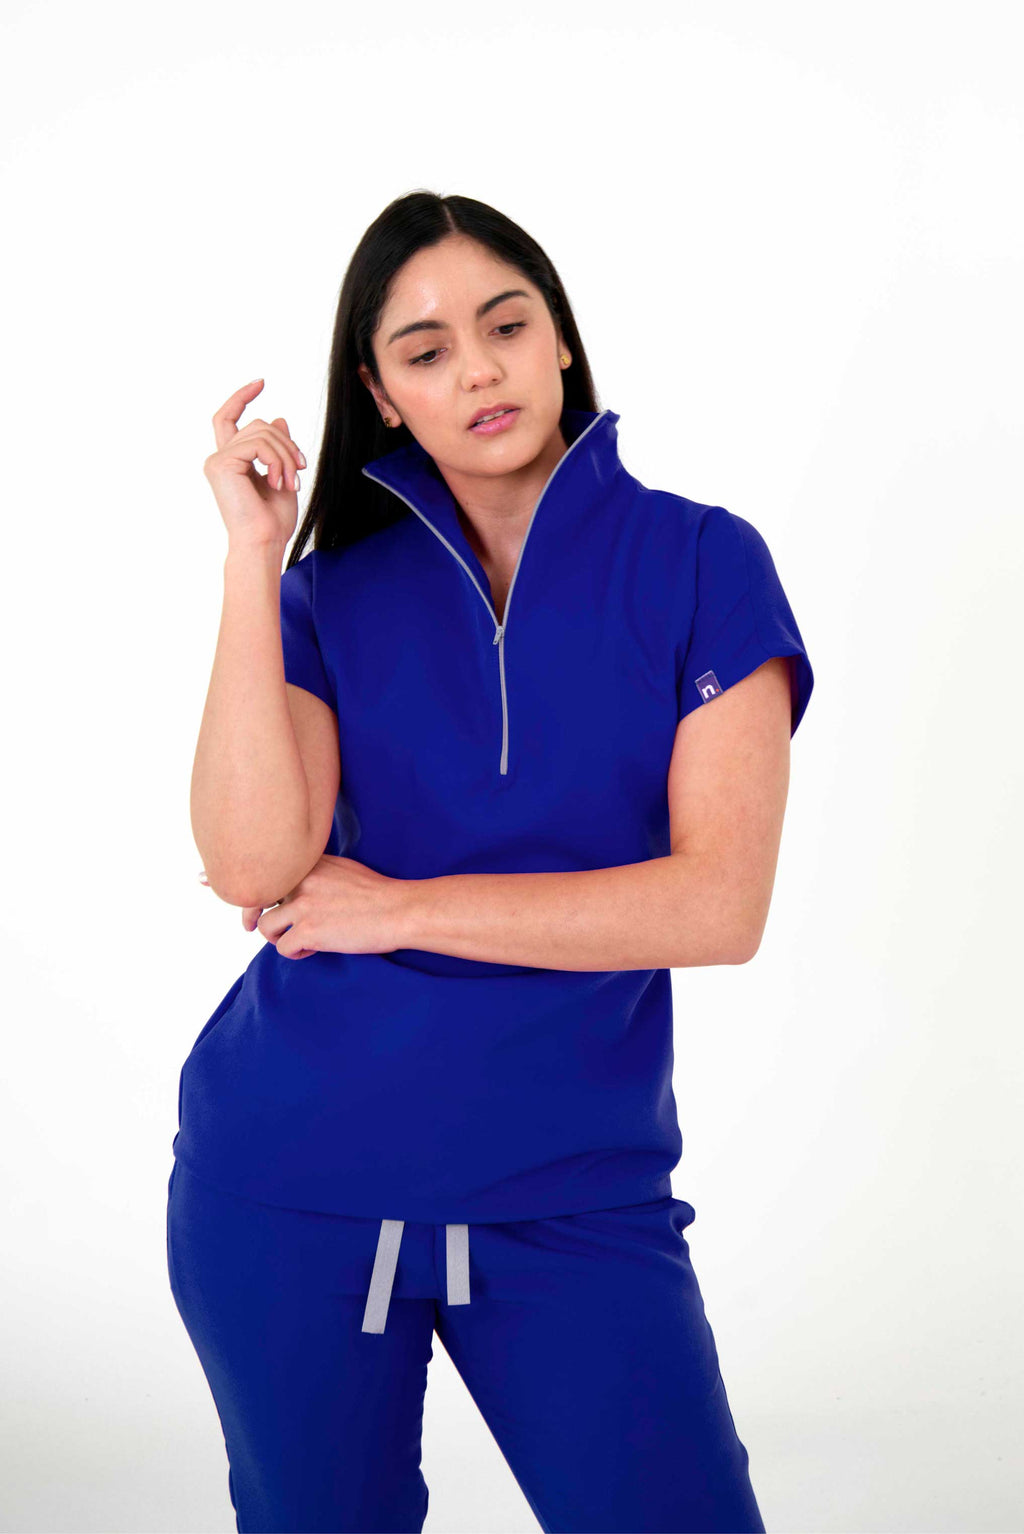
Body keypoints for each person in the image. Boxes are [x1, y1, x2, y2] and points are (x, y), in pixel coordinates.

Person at [166, 189, 814, 1534]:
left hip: (575, 1195)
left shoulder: (702, 562)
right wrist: (252, 558)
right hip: (293, 1184)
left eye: (506, 326)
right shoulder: (328, 591)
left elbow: (717, 905)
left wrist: (400, 909)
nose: (477, 369)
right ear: (381, 395)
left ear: (559, 338)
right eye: (425, 350)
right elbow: (252, 860)